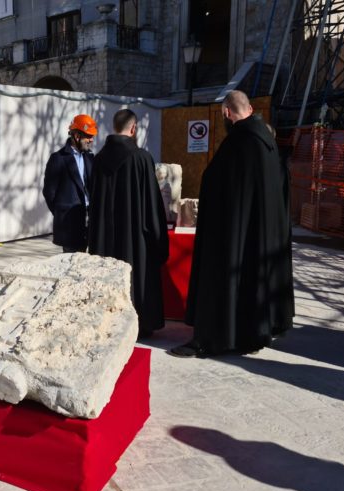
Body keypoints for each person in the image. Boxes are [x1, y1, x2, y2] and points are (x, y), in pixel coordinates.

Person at [170, 90, 294, 358]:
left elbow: (215, 184)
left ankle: (218, 336)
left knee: (229, 277)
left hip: (235, 234)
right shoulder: (269, 144)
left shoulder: (238, 142)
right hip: (263, 235)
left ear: (227, 113)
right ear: (249, 108)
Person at [88, 109, 169, 338]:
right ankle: (140, 324)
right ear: (133, 129)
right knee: (138, 279)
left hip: (104, 239)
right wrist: (159, 240)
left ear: (115, 127)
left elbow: (93, 203)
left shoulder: (99, 160)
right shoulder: (142, 158)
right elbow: (153, 206)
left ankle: (109, 322)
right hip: (136, 241)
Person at [43, 114, 97, 253]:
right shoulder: (58, 159)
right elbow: (49, 193)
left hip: (90, 223)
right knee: (71, 266)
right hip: (70, 226)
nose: (91, 140)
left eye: (92, 136)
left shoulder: (90, 157)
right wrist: (62, 214)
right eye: (88, 136)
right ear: (77, 136)